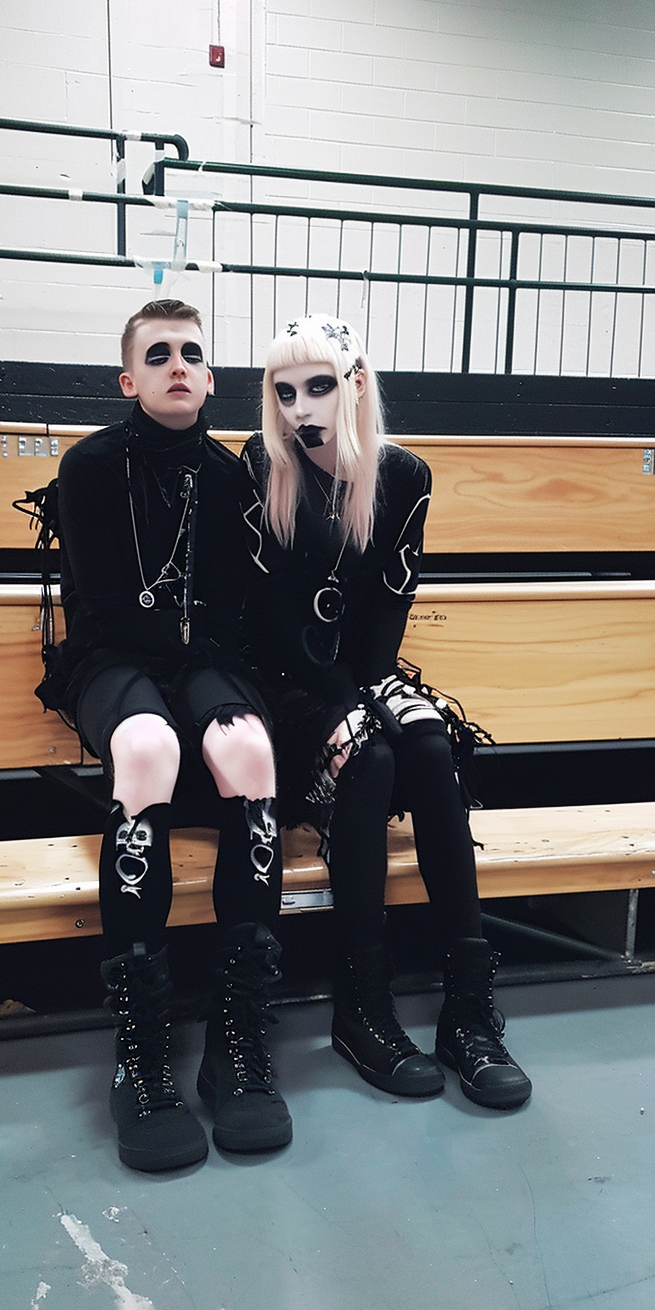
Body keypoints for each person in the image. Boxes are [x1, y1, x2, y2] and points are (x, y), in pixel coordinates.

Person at [239, 313, 531, 1111]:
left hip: (355, 672)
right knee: (365, 755)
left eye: (319, 385)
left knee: (431, 744)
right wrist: (352, 707)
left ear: (356, 383)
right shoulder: (264, 470)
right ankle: (360, 1009)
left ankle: (468, 1009)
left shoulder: (404, 477)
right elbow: (270, 630)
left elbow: (385, 623)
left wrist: (371, 695)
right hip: (283, 687)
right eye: (284, 390)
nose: (300, 406)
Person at [55, 298, 292, 1173]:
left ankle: (237, 1041)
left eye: (193, 353)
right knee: (150, 746)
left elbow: (230, 613)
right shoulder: (88, 469)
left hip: (203, 661)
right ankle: (141, 1048)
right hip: (113, 662)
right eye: (159, 355)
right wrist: (183, 680)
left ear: (211, 377)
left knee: (249, 750)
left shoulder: (233, 478)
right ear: (130, 379)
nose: (178, 365)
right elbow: (113, 613)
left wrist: (211, 690)